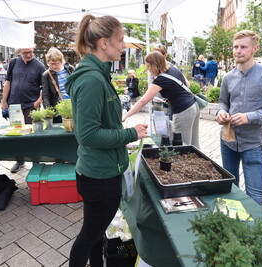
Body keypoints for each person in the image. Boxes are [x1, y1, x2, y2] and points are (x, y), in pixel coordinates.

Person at [64, 14, 148, 267]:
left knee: (96, 232)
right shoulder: (91, 79)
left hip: (99, 170)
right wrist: (131, 133)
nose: (123, 46)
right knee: (89, 235)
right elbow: (88, 135)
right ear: (103, 43)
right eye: (120, 40)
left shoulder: (97, 74)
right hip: (100, 176)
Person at [216, 30, 262, 206]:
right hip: (228, 140)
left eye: (243, 47)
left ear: (255, 48)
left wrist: (250, 117)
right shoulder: (228, 77)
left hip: (252, 143)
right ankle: (232, 227)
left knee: (254, 196)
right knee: (230, 189)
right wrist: (221, 113)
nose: (238, 51)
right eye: (235, 47)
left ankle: (253, 230)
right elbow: (223, 102)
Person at [123, 51, 200, 148]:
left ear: (155, 65)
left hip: (183, 110)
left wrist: (126, 116)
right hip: (193, 106)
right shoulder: (173, 69)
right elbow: (187, 84)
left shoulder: (161, 79)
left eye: (148, 66)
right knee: (194, 144)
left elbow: (143, 101)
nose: (147, 69)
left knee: (181, 146)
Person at [1, 47, 46, 173]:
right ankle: (20, 160)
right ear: (19, 52)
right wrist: (4, 101)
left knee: (32, 134)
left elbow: (44, 87)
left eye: (31, 52)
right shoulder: (13, 63)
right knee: (17, 134)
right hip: (14, 105)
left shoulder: (39, 66)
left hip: (30, 105)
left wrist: (38, 102)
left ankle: (36, 161)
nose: (29, 55)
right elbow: (8, 82)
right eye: (25, 53)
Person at [42, 47, 75, 123]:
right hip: (58, 109)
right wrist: (49, 112)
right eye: (51, 64)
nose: (54, 66)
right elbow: (45, 95)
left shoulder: (70, 69)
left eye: (57, 63)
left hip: (73, 106)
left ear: (61, 61)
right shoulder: (46, 75)